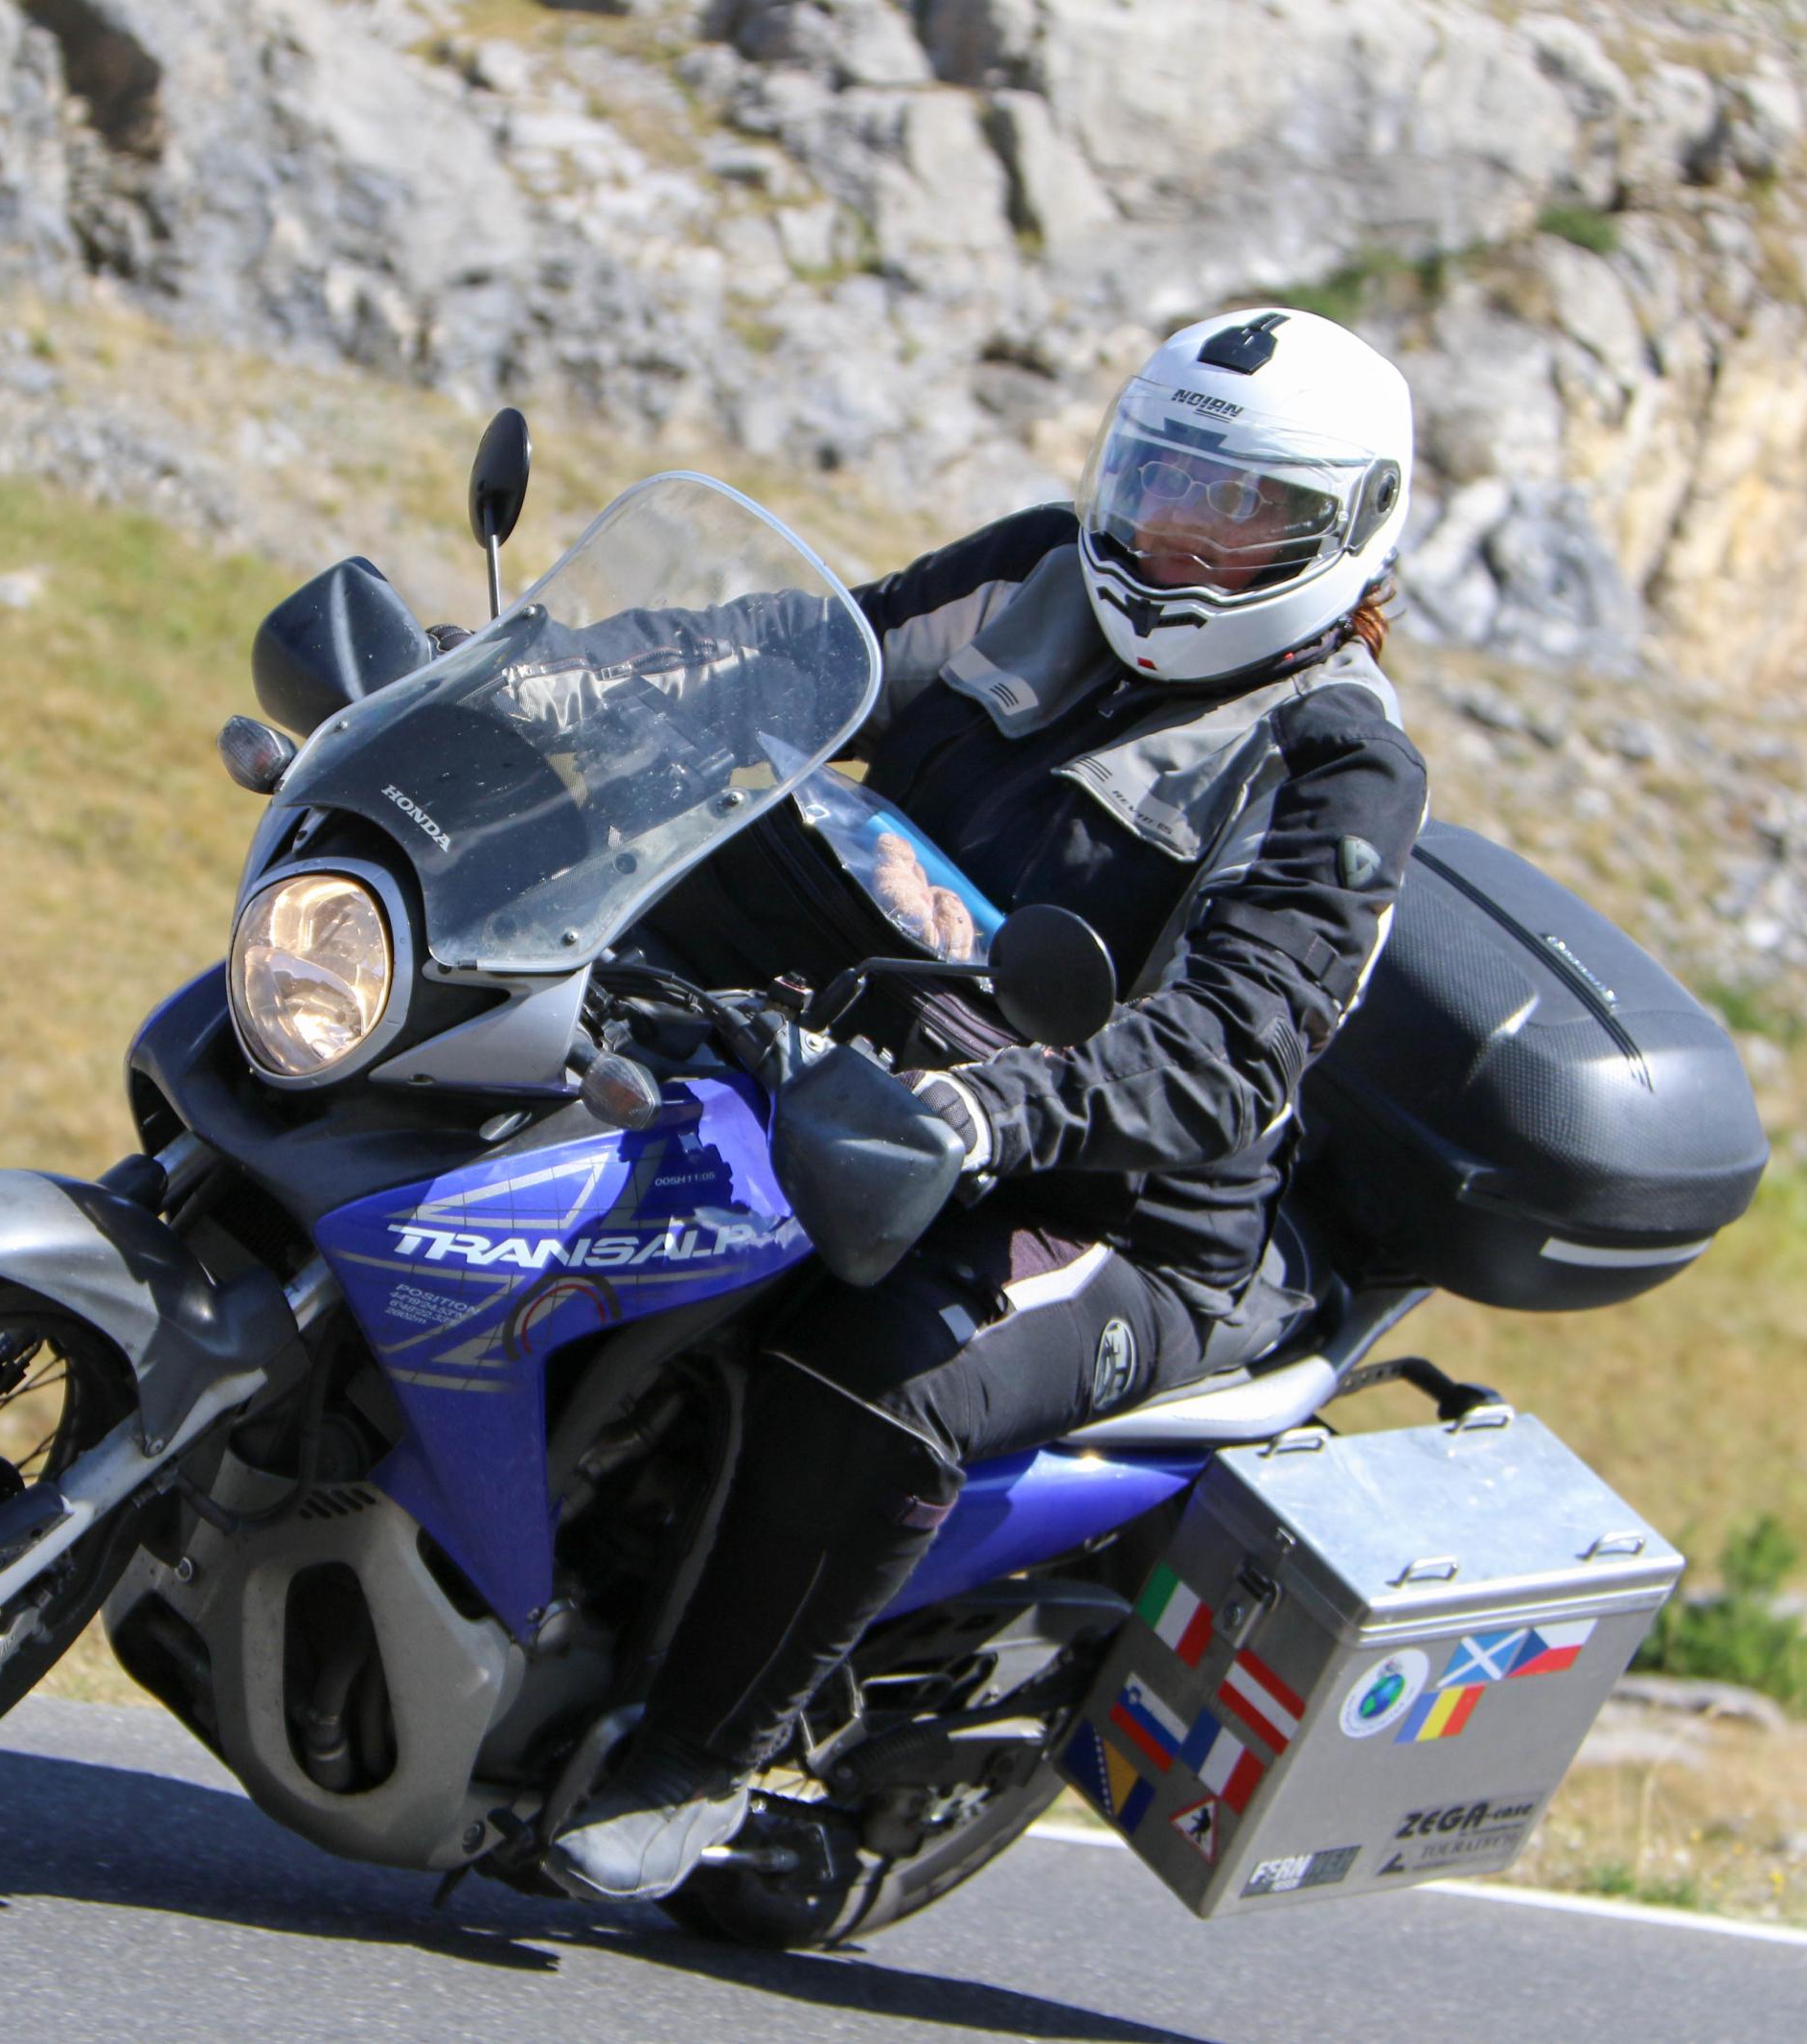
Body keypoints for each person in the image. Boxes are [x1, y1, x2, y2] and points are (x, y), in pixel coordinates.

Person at [548, 307, 1430, 1902]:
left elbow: (1232, 1048)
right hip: (874, 1061)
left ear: (1345, 536)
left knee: (870, 1362)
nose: (1182, 537)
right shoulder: (1036, 569)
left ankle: (695, 1750)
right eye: (1164, 482)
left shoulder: (1335, 767)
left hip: (1113, 1208)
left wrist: (997, 1109)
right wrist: (551, 682)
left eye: (1245, 516)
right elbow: (804, 658)